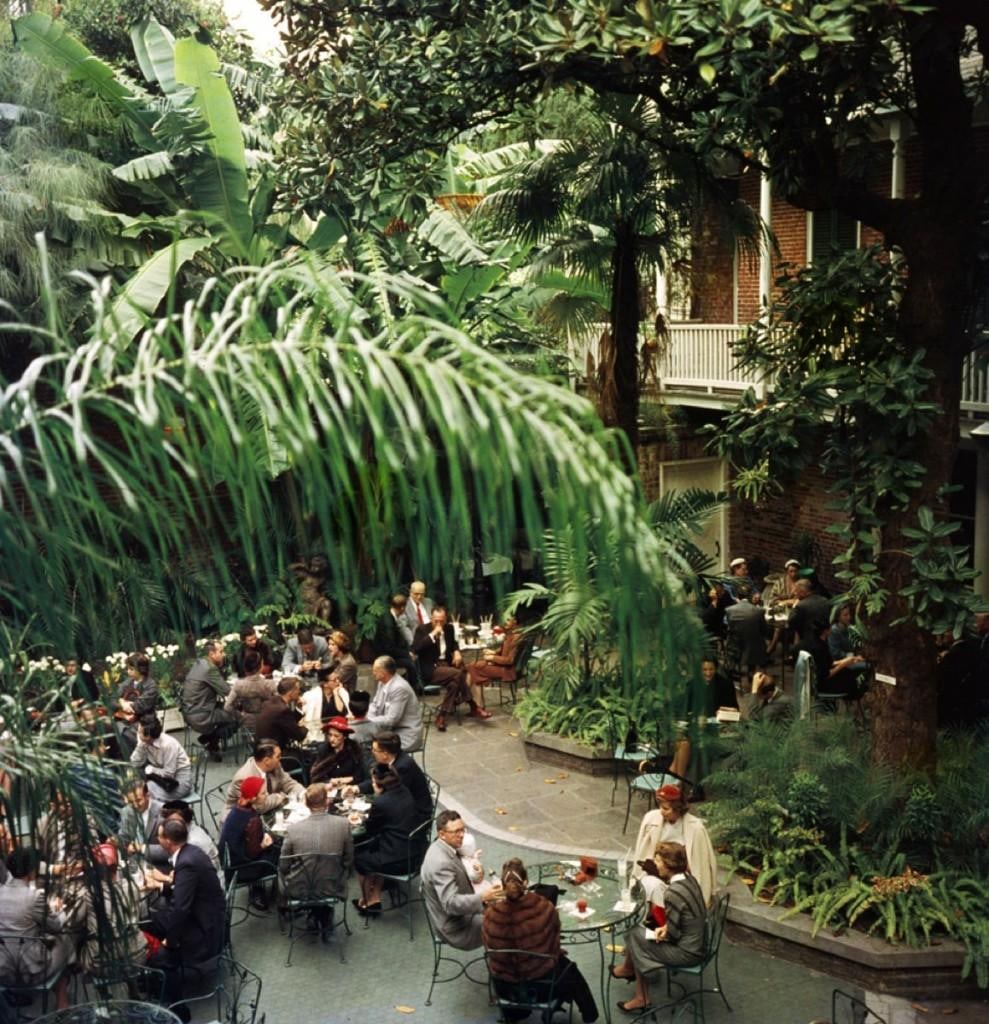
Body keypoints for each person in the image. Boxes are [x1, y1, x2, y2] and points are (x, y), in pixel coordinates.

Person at [483, 857, 598, 1023]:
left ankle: (513, 1014)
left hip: (507, 988)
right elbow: (554, 944)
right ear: (526, 882)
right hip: (542, 986)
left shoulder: (490, 916)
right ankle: (590, 1015)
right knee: (569, 969)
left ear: (502, 885)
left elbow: (490, 950)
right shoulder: (544, 907)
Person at [612, 842, 706, 1014]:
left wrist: (660, 931)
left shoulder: (673, 893)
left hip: (687, 953)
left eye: (658, 861)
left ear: (669, 865)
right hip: (698, 941)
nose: (655, 864)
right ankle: (631, 973)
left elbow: (673, 936)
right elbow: (681, 920)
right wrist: (662, 927)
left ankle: (641, 996)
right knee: (641, 934)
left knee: (634, 934)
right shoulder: (689, 879)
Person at [147, 818, 227, 1020]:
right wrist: (160, 886)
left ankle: (177, 1009)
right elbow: (185, 894)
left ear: (167, 841)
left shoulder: (186, 863)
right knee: (154, 920)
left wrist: (170, 942)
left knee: (160, 951)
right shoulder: (191, 852)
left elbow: (181, 908)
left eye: (159, 837)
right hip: (206, 917)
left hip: (205, 930)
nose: (158, 840)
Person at [0, 847, 74, 1010]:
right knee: (66, 940)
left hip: (3, 971)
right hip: (29, 973)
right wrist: (59, 910)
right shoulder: (33, 897)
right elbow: (56, 925)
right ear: (32, 870)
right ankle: (63, 1001)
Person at [421, 809, 502, 949]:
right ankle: (504, 965)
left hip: (464, 913)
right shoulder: (440, 863)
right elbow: (451, 904)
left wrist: (478, 873)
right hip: (456, 927)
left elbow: (463, 875)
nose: (462, 835)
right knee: (505, 923)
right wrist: (482, 898)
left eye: (463, 830)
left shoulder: (444, 846)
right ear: (442, 834)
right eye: (456, 832)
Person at [631, 783, 717, 906]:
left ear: (678, 809)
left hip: (681, 877)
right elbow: (641, 850)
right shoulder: (651, 820)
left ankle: (671, 920)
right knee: (649, 885)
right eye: (660, 806)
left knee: (677, 895)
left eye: (666, 808)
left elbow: (704, 862)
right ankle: (659, 920)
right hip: (657, 871)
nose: (661, 811)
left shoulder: (695, 828)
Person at [67, 842, 147, 973]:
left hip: (103, 964)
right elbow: (142, 914)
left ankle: (102, 992)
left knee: (78, 946)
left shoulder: (89, 894)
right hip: (137, 957)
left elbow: (75, 922)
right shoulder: (132, 886)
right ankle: (133, 990)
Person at [352, 765, 419, 916]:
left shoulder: (380, 803)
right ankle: (374, 897)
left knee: (359, 858)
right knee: (375, 847)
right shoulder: (406, 791)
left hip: (398, 860)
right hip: (415, 851)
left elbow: (370, 830)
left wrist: (364, 816)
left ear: (378, 785)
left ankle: (366, 901)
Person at [279, 784, 354, 914]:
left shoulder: (292, 829)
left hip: (299, 888)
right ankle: (322, 913)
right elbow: (348, 859)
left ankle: (287, 909)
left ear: (306, 804)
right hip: (332, 886)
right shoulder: (343, 824)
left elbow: (284, 866)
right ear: (327, 801)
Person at [414, 606, 487, 731]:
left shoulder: (449, 628)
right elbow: (416, 648)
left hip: (447, 666)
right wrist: (432, 635)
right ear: (431, 618)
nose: (439, 623)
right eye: (436, 620)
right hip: (431, 669)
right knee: (460, 674)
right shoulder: (422, 629)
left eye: (441, 621)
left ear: (446, 619)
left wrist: (457, 651)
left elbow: (454, 643)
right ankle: (473, 706)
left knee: (454, 683)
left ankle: (441, 716)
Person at [218, 776, 278, 911]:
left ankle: (260, 889)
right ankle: (283, 901)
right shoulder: (253, 820)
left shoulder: (237, 808)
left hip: (230, 864)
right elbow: (254, 852)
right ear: (253, 798)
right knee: (282, 853)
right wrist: (264, 844)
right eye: (263, 793)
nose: (266, 795)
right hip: (243, 868)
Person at [352, 731, 432, 826]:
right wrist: (357, 788)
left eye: (374, 750)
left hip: (416, 814)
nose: (372, 752)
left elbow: (394, 799)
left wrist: (376, 802)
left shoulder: (403, 768)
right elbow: (378, 780)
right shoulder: (389, 759)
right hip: (401, 804)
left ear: (385, 754)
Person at [181, 640, 238, 760]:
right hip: (201, 714)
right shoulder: (209, 669)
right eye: (221, 652)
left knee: (228, 708)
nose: (224, 654)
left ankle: (210, 740)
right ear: (211, 654)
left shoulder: (200, 663)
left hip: (190, 712)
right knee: (239, 714)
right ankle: (211, 740)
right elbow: (227, 691)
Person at [224, 741, 305, 820]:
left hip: (269, 811)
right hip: (241, 822)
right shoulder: (245, 778)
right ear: (266, 760)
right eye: (278, 756)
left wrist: (304, 794)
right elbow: (260, 807)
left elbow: (288, 782)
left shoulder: (275, 765)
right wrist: (280, 796)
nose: (280, 759)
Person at [130, 714, 193, 801]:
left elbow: (169, 773)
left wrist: (152, 769)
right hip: (161, 781)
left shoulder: (168, 744)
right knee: (138, 790)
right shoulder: (145, 742)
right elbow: (134, 763)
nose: (138, 733)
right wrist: (140, 745)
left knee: (146, 795)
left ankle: (158, 812)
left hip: (178, 783)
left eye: (140, 732)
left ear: (149, 736)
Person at [367, 655, 423, 752]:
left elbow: (392, 719)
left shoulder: (399, 688)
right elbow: (374, 704)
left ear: (384, 672)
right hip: (391, 730)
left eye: (375, 670)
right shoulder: (382, 682)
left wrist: (368, 721)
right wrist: (367, 717)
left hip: (406, 734)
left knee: (372, 746)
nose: (373, 673)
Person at [801, 618, 867, 701]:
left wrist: (852, 659)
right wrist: (844, 664)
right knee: (850, 675)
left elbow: (829, 663)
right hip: (823, 685)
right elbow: (825, 674)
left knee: (848, 671)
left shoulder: (818, 642)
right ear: (825, 631)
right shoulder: (819, 648)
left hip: (821, 681)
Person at [466, 615, 521, 710]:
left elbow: (509, 660)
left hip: (507, 671)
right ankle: (474, 703)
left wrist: (492, 657)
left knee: (473, 668)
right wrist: (494, 652)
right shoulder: (511, 634)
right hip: (503, 666)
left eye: (508, 620)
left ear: (515, 621)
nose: (505, 622)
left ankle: (474, 703)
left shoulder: (516, 637)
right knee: (471, 667)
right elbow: (505, 649)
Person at [160, 799, 222, 878]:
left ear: (186, 820)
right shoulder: (190, 829)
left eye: (173, 821)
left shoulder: (192, 842)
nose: (169, 825)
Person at [115, 652, 161, 757]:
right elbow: (113, 698)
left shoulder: (151, 685)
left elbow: (140, 706)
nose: (128, 672)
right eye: (128, 668)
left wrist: (126, 704)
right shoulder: (128, 682)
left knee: (125, 732)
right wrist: (122, 703)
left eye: (131, 669)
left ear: (141, 669)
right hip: (126, 718)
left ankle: (134, 760)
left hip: (144, 720)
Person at [724, 583, 770, 688]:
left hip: (735, 647)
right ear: (750, 596)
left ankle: (735, 673)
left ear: (737, 596)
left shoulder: (729, 610)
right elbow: (764, 631)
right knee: (757, 641)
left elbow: (730, 627)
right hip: (754, 647)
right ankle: (752, 673)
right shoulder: (759, 611)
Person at [223, 649, 277, 734]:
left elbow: (227, 707)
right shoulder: (270, 684)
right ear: (260, 667)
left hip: (248, 724)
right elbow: (279, 703)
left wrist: (240, 716)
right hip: (268, 723)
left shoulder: (239, 685)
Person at [373, 594, 419, 688]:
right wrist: (406, 654)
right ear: (402, 608)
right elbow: (389, 647)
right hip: (385, 656)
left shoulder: (389, 616)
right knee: (410, 663)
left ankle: (417, 686)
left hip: (390, 652)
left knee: (413, 658)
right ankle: (414, 689)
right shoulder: (388, 622)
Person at [118, 779, 167, 866]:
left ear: (148, 796)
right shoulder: (126, 811)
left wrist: (141, 848)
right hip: (132, 862)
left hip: (155, 864)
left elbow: (169, 850)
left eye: (138, 800)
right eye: (130, 802)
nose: (135, 806)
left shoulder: (163, 813)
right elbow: (124, 837)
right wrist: (117, 841)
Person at [310, 716, 367, 787]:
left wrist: (348, 780)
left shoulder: (354, 749)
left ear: (344, 737)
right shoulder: (324, 750)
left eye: (336, 736)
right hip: (329, 788)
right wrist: (330, 781)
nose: (332, 739)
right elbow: (316, 775)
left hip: (350, 788)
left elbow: (361, 774)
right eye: (330, 735)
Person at [254, 677, 308, 750]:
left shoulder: (269, 702)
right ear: (291, 692)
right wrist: (306, 727)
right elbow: (299, 736)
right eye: (298, 689)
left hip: (260, 747)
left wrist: (299, 708)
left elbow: (288, 722)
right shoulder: (283, 710)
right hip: (275, 752)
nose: (299, 692)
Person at [302, 668, 350, 733]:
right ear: (325, 684)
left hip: (338, 730)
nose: (338, 681)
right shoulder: (312, 695)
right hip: (320, 731)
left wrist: (336, 693)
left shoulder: (342, 692)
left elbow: (341, 711)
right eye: (334, 680)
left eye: (338, 678)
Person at [787, 580, 831, 650]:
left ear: (802, 592)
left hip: (807, 642)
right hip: (825, 641)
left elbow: (791, 621)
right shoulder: (825, 601)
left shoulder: (801, 606)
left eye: (796, 591)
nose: (795, 593)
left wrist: (794, 606)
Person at [347, 690, 376, 774]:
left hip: (352, 769)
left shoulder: (347, 730)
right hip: (372, 766)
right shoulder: (375, 727)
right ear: (367, 709)